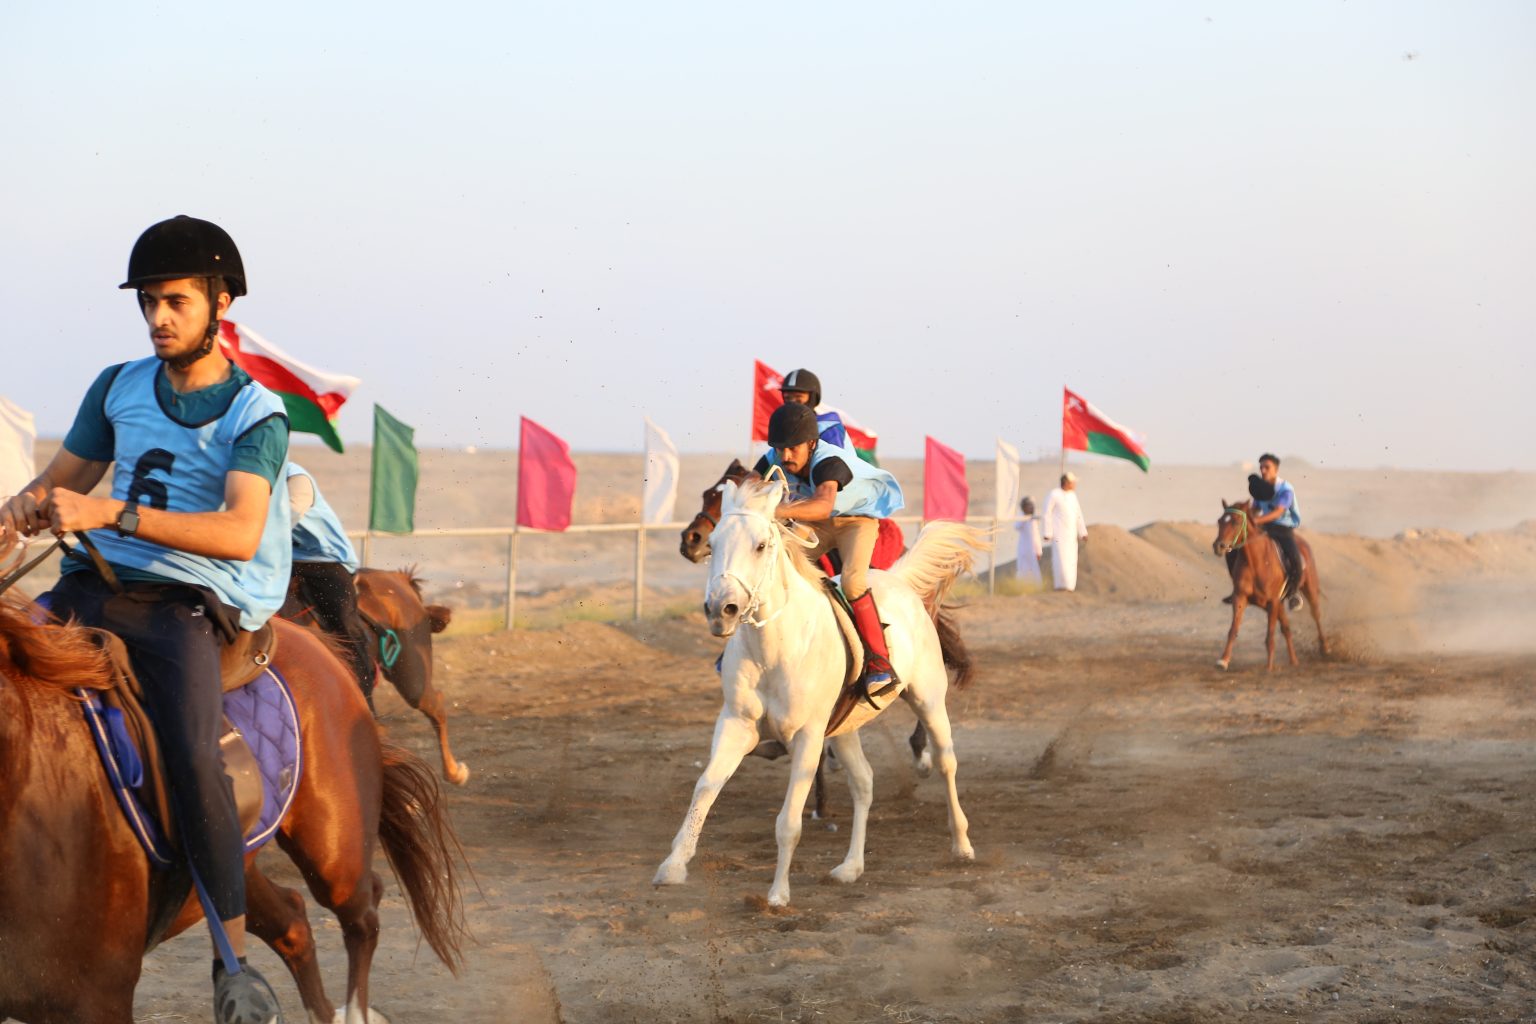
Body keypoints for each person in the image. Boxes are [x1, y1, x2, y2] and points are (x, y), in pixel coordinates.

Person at [0, 216, 288, 1024]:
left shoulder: (257, 413)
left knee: (194, 756)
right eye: (149, 302)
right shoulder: (116, 385)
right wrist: (22, 508)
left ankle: (234, 964)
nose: (159, 318)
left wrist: (110, 513)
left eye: (176, 302)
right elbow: (63, 477)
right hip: (88, 585)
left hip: (183, 604)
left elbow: (239, 532)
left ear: (220, 303)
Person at [756, 402, 904, 684]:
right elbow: (749, 484)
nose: (785, 456)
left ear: (812, 444)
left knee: (852, 583)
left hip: (855, 521)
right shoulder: (775, 456)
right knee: (778, 565)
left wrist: (775, 509)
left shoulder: (828, 461)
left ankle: (880, 662)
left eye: (793, 449)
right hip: (818, 523)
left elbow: (823, 505)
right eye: (780, 448)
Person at [286, 462, 375, 708]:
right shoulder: (243, 477)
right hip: (283, 558)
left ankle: (364, 703)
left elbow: (285, 518)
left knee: (345, 626)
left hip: (324, 561)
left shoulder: (296, 478)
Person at [1250, 452, 1304, 610]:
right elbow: (1254, 509)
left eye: (1267, 467)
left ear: (1276, 469)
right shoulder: (1260, 488)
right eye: (1261, 467)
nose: (1263, 470)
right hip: (1264, 527)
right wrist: (1248, 518)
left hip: (1283, 528)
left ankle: (1293, 593)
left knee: (1295, 559)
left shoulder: (1286, 489)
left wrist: (1256, 520)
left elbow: (1278, 512)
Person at [779, 367, 850, 450]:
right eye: (787, 398)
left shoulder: (828, 427)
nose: (792, 403)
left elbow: (835, 457)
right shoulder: (786, 428)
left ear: (813, 398)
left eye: (798, 398)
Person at [1042, 472, 1088, 591]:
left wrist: (1082, 532)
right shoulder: (1054, 494)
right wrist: (1047, 532)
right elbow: (1047, 513)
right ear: (1066, 482)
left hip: (1071, 534)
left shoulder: (1073, 496)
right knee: (1060, 559)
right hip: (1059, 534)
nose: (1075, 485)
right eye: (1073, 482)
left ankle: (1069, 587)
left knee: (1071, 560)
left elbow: (1078, 514)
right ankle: (1060, 586)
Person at [1014, 496, 1043, 588]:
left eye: (1032, 505)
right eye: (1028, 505)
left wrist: (1039, 551)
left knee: (1034, 571)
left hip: (1033, 551)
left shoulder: (1033, 519)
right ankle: (1021, 588)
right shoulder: (1021, 517)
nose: (1031, 507)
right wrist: (1025, 517)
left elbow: (1036, 536)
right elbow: (1016, 526)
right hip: (1023, 550)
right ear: (1023, 507)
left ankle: (1036, 588)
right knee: (1023, 570)